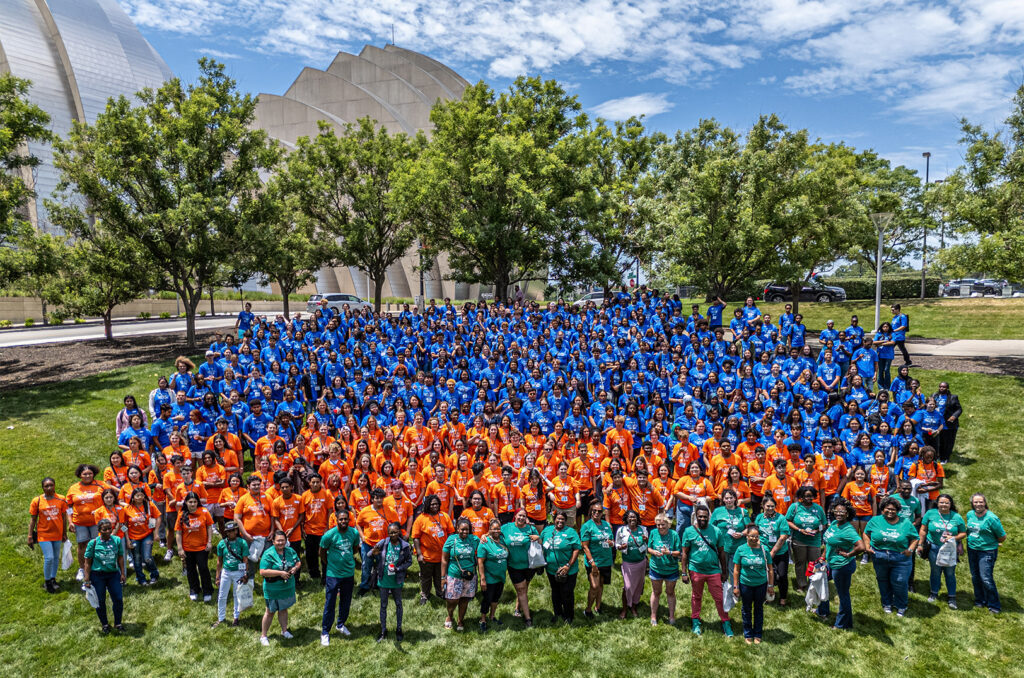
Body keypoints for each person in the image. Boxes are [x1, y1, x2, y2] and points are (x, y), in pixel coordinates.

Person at [681, 504, 733, 637]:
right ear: (696, 517)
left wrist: (724, 571)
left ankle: (725, 622)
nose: (702, 519)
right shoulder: (688, 531)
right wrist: (684, 572)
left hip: (713, 570)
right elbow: (685, 553)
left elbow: (722, 552)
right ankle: (695, 621)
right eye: (700, 517)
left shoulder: (716, 531)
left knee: (719, 598)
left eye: (705, 516)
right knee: (696, 596)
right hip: (696, 569)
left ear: (709, 517)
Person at [862, 497, 919, 616]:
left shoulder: (905, 522)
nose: (890, 511)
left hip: (900, 558)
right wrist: (867, 546)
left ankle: (901, 605)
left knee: (900, 581)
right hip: (879, 556)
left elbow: (915, 538)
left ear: (897, 510)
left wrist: (910, 550)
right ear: (882, 509)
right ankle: (887, 603)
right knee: (883, 580)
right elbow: (866, 533)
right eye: (887, 509)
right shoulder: (875, 520)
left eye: (893, 509)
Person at [817, 497, 864, 630]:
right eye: (836, 511)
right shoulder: (834, 524)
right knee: (820, 581)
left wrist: (849, 554)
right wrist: (823, 557)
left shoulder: (848, 530)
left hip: (842, 566)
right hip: (831, 563)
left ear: (847, 513)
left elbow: (861, 546)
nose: (839, 514)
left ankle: (842, 624)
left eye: (842, 512)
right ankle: (822, 611)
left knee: (843, 594)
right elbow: (828, 542)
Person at [319, 508, 361, 644]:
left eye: (345, 519)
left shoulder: (354, 533)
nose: (343, 521)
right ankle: (325, 631)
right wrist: (330, 564)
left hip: (348, 573)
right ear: (336, 520)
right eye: (341, 519)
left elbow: (355, 548)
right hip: (333, 574)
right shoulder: (329, 535)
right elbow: (322, 552)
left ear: (349, 520)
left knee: (346, 601)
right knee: (330, 602)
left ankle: (341, 624)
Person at [919, 493, 967, 608]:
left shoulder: (956, 516)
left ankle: (952, 597)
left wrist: (954, 537)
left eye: (946, 503)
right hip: (934, 547)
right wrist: (920, 544)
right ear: (937, 503)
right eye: (941, 502)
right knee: (935, 571)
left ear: (950, 504)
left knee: (950, 573)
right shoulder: (930, 513)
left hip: (950, 549)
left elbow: (963, 533)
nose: (944, 505)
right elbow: (923, 530)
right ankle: (934, 593)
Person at [259, 530, 301, 645]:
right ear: (273, 541)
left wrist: (295, 568)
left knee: (283, 609)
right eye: (278, 540)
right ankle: (263, 636)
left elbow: (298, 562)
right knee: (270, 611)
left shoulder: (290, 551)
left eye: (283, 540)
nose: (280, 543)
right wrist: (280, 573)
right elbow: (263, 571)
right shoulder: (268, 554)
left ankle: (284, 631)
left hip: (286, 587)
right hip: (273, 588)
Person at [732, 524, 773, 644]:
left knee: (758, 609)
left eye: (756, 536)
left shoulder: (764, 550)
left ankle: (758, 633)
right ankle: (748, 633)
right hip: (745, 584)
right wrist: (736, 586)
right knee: (746, 609)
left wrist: (770, 586)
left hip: (761, 584)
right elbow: (736, 570)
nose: (754, 538)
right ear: (747, 536)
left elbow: (770, 569)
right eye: (751, 536)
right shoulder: (740, 549)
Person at [83, 519, 125, 633]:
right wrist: (87, 578)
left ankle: (118, 623)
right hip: (98, 575)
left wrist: (122, 573)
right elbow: (87, 562)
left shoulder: (117, 540)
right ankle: (105, 624)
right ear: (99, 530)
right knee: (100, 600)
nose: (107, 531)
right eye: (104, 529)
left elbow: (120, 557)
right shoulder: (93, 543)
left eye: (109, 529)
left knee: (118, 599)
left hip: (113, 574)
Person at [965, 493, 1005, 613]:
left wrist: (991, 543)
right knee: (975, 576)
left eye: (981, 502)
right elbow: (969, 530)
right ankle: (980, 600)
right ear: (972, 503)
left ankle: (994, 605)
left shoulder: (991, 518)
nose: (978, 504)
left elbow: (1002, 536)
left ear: (985, 503)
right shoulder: (970, 514)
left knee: (986, 578)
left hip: (987, 551)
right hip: (972, 549)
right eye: (975, 502)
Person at [372, 521, 412, 642]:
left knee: (398, 604)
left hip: (396, 579)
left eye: (395, 532)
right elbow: (370, 554)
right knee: (383, 605)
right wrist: (374, 552)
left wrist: (398, 569)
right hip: (384, 579)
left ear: (399, 532)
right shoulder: (384, 542)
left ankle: (399, 629)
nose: (393, 535)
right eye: (390, 533)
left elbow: (409, 561)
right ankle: (383, 630)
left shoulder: (404, 546)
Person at [411, 494, 454, 604]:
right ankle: (425, 594)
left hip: (442, 555)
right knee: (426, 577)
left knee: (440, 576)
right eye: (432, 504)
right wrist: (419, 554)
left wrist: (449, 549)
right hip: (426, 556)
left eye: (436, 504)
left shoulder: (445, 516)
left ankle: (440, 592)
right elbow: (415, 538)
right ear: (427, 505)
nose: (435, 506)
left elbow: (451, 533)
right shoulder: (421, 519)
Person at [501, 509, 540, 627]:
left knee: (524, 588)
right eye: (519, 515)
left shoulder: (531, 528)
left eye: (524, 516)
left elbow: (540, 542)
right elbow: (494, 532)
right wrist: (485, 535)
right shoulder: (506, 527)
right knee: (522, 590)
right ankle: (528, 618)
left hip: (530, 565)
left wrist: (538, 538)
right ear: (515, 516)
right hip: (514, 566)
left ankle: (518, 608)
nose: (521, 518)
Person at [28, 477, 68, 593]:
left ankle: (52, 578)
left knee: (55, 557)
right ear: (43, 488)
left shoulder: (61, 499)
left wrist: (64, 533)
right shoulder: (37, 501)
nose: (49, 488)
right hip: (44, 534)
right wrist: (30, 536)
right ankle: (47, 582)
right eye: (46, 486)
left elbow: (64, 517)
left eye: (51, 485)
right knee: (49, 557)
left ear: (54, 486)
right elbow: (33, 519)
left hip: (57, 533)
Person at [67, 463, 106, 584]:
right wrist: (70, 522)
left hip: (97, 521)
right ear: (80, 475)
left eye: (90, 473)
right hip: (80, 522)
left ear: (94, 474)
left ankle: (97, 567)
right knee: (82, 545)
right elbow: (68, 506)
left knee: (97, 544)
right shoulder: (73, 488)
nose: (88, 476)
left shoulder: (101, 485)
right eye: (85, 474)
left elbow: (111, 496)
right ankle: (82, 568)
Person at [541, 511, 581, 624]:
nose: (560, 521)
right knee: (555, 592)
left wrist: (568, 565)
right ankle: (557, 613)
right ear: (554, 519)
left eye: (562, 519)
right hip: (551, 569)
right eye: (558, 518)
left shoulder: (571, 532)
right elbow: (540, 542)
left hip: (569, 570)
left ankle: (569, 616)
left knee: (567, 593)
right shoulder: (547, 531)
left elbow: (576, 549)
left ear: (566, 520)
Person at [441, 517, 480, 631]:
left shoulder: (474, 539)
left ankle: (460, 620)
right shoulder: (451, 540)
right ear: (457, 529)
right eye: (462, 529)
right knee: (452, 600)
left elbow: (485, 544)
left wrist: (484, 537)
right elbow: (444, 559)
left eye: (467, 529)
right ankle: (450, 615)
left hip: (469, 576)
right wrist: (443, 577)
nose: (465, 532)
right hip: (454, 575)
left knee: (464, 599)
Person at [785, 486, 825, 593]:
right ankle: (801, 584)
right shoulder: (795, 507)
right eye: (806, 496)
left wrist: (817, 530)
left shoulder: (818, 508)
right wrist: (799, 529)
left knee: (814, 563)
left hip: (814, 541)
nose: (809, 498)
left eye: (811, 496)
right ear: (801, 496)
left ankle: (813, 583)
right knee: (800, 563)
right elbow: (787, 521)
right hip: (798, 540)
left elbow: (824, 524)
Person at [176, 491, 214, 601]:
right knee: (191, 569)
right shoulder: (181, 514)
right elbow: (178, 532)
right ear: (186, 503)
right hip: (188, 548)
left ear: (198, 502)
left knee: (203, 568)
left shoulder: (204, 512)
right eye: (190, 502)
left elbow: (209, 527)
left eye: (195, 502)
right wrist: (180, 548)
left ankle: (207, 590)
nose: (193, 504)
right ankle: (194, 589)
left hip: (202, 547)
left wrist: (209, 542)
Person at [213, 521, 250, 628]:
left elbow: (245, 560)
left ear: (236, 531)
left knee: (236, 595)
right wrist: (217, 576)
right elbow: (219, 561)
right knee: (222, 596)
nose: (230, 533)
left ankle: (236, 617)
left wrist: (245, 574)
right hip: (226, 571)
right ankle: (221, 618)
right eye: (228, 531)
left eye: (232, 531)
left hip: (238, 572)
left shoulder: (242, 543)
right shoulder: (222, 544)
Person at [580, 503, 614, 618]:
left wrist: (611, 543)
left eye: (599, 511)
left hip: (606, 560)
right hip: (594, 561)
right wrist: (592, 563)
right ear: (591, 511)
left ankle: (598, 607)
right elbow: (585, 547)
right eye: (594, 510)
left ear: (602, 513)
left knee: (600, 584)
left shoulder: (606, 525)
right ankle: (588, 609)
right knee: (594, 586)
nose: (596, 513)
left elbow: (612, 540)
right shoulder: (587, 526)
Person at [755, 495, 790, 606]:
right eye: (768, 506)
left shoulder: (781, 518)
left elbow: (783, 537)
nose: (770, 508)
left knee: (782, 575)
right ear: (763, 506)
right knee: (764, 575)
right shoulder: (759, 517)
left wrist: (773, 552)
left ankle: (783, 597)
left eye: (772, 506)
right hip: (764, 552)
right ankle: (767, 595)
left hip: (780, 552)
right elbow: (756, 533)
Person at [647, 511, 681, 625]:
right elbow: (649, 548)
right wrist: (654, 552)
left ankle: (671, 616)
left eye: (663, 525)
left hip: (671, 569)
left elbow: (678, 552)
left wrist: (669, 552)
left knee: (670, 592)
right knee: (656, 592)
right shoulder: (653, 533)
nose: (660, 527)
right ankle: (653, 616)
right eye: (658, 525)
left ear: (668, 524)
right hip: (656, 568)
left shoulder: (674, 535)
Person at [476, 518, 509, 632]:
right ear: (489, 529)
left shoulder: (503, 539)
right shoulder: (484, 543)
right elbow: (480, 562)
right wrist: (482, 579)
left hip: (501, 576)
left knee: (496, 598)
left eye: (498, 528)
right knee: (487, 599)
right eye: (494, 529)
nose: (496, 531)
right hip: (489, 577)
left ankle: (492, 616)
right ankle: (483, 620)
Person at [123, 487, 161, 586]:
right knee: (137, 559)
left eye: (141, 495)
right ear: (133, 497)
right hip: (133, 537)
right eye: (137, 495)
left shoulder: (149, 505)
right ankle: (141, 579)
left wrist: (156, 533)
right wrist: (127, 540)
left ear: (144, 496)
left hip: (147, 535)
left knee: (147, 557)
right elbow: (123, 525)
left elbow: (158, 517)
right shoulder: (127, 508)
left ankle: (154, 574)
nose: (139, 497)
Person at [616, 509, 647, 619]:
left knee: (638, 587)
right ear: (626, 519)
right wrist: (620, 547)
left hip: (641, 563)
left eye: (634, 517)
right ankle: (624, 608)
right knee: (628, 587)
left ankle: (633, 606)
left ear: (637, 519)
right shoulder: (621, 530)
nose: (632, 519)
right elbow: (617, 544)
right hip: (628, 563)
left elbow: (647, 545)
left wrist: (647, 540)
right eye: (630, 517)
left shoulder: (643, 529)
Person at [933, 382, 962, 463]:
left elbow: (959, 409)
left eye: (944, 387)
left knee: (948, 442)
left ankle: (945, 457)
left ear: (947, 388)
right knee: (938, 441)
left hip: (949, 424)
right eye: (940, 386)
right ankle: (938, 456)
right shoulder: (935, 396)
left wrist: (954, 416)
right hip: (937, 423)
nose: (941, 388)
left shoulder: (953, 397)